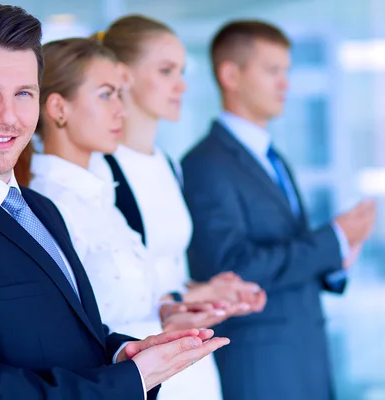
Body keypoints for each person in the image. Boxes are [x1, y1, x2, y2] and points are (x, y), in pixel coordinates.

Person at [0, 3, 229, 399]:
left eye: (23, 93)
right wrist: (130, 380)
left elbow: (65, 336)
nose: (8, 116)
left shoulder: (40, 210)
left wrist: (121, 353)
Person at [14, 34, 262, 400]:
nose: (121, 110)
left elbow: (127, 296)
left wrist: (175, 309)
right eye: (106, 95)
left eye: (118, 94)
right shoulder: (46, 208)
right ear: (58, 109)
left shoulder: (104, 197)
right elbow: (65, 336)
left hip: (171, 377)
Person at [181, 20, 377, 400]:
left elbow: (286, 251)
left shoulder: (274, 158)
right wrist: (333, 239)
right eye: (273, 71)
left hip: (305, 357)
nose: (286, 82)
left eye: (286, 71)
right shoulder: (204, 164)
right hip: (261, 366)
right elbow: (231, 267)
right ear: (230, 74)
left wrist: (337, 260)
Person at [87, 15, 267, 399]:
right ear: (124, 75)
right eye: (167, 71)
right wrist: (183, 301)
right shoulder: (99, 169)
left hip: (192, 356)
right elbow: (106, 287)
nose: (181, 85)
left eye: (182, 71)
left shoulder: (168, 164)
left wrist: (208, 290)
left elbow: (166, 269)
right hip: (143, 357)